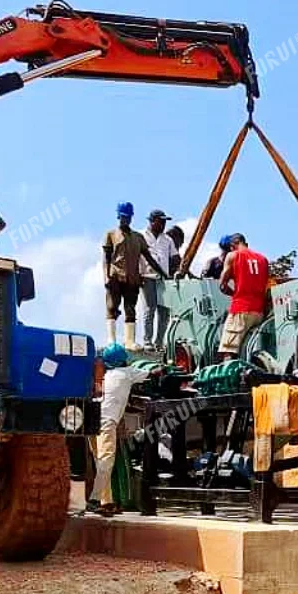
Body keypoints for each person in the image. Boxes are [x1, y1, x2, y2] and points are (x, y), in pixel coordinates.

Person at [89, 343, 156, 515]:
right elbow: (153, 372)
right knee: (106, 461)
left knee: (100, 462)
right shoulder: (127, 373)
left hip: (92, 421)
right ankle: (94, 501)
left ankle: (106, 502)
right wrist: (165, 368)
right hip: (106, 422)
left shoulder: (106, 376)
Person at [103, 202, 155, 349]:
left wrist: (163, 273)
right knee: (112, 307)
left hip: (132, 278)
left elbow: (148, 257)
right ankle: (111, 340)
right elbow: (106, 258)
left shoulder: (138, 237)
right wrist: (106, 277)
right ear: (118, 216)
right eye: (123, 217)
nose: (125, 220)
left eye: (128, 217)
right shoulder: (111, 235)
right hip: (115, 277)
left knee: (130, 309)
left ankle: (129, 340)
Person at [218, 233, 270, 359]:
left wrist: (234, 293)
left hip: (241, 310)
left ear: (232, 246)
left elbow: (222, 285)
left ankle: (230, 376)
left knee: (229, 350)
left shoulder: (233, 255)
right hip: (259, 312)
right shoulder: (263, 259)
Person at [140, 209, 178, 351]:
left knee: (164, 312)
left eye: (164, 222)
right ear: (152, 221)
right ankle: (147, 341)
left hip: (164, 279)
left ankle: (159, 342)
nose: (163, 224)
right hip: (147, 276)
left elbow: (175, 257)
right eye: (160, 221)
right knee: (150, 309)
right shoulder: (142, 236)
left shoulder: (168, 240)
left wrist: (175, 272)